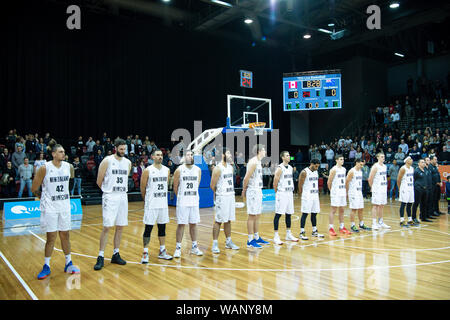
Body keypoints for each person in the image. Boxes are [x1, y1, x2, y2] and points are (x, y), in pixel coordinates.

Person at [31, 143, 80, 279]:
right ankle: (46, 266)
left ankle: (68, 263)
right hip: (50, 208)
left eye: (63, 151)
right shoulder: (45, 168)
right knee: (51, 237)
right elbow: (34, 188)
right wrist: (44, 198)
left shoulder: (69, 167)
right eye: (60, 152)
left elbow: (70, 183)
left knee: (65, 235)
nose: (63, 154)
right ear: (53, 154)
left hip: (64, 206)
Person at [94, 139, 132, 271]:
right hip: (110, 196)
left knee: (120, 226)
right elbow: (99, 181)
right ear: (115, 148)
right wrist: (108, 191)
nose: (123, 151)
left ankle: (116, 253)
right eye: (121, 149)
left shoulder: (128, 162)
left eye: (124, 149)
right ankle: (101, 256)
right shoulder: (107, 160)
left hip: (122, 196)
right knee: (107, 227)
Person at [140, 149, 173, 263]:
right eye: (157, 155)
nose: (160, 157)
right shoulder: (148, 170)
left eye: (161, 155)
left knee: (162, 228)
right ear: (152, 157)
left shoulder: (167, 170)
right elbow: (142, 188)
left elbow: (166, 185)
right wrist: (146, 200)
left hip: (163, 204)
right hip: (151, 204)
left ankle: (162, 251)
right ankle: (145, 252)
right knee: (148, 228)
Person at [173, 150, 203, 258]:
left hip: (194, 201)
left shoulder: (198, 170)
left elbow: (197, 184)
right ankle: (178, 248)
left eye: (191, 155)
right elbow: (175, 187)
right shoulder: (179, 170)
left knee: (194, 224)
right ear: (184, 157)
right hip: (183, 201)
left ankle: (194, 247)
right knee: (181, 224)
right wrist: (181, 197)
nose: (190, 156)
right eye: (187, 155)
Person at [209, 148, 240, 253]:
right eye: (228, 153)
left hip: (230, 196)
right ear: (222, 155)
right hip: (222, 197)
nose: (230, 154)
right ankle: (215, 244)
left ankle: (228, 242)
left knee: (228, 220)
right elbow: (212, 185)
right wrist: (219, 194)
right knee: (218, 221)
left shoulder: (231, 168)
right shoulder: (218, 168)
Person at [242, 144, 269, 248]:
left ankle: (257, 237)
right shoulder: (253, 162)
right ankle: (250, 240)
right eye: (264, 150)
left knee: (257, 215)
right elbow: (246, 178)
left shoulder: (259, 161)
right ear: (259, 151)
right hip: (252, 190)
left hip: (258, 190)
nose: (265, 151)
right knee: (252, 215)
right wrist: (244, 190)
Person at [272, 151, 299, 244]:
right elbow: (275, 182)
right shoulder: (280, 168)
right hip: (282, 193)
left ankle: (288, 234)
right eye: (287, 155)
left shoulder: (291, 167)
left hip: (289, 193)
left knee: (289, 214)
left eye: (289, 155)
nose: (289, 157)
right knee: (278, 214)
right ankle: (276, 236)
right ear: (283, 157)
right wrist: (278, 192)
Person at [297, 159, 324, 240]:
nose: (317, 168)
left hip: (315, 195)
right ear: (311, 164)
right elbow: (300, 184)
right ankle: (302, 232)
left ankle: (314, 231)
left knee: (314, 213)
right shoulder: (304, 172)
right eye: (315, 166)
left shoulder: (316, 172)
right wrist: (301, 194)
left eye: (318, 166)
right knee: (305, 214)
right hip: (307, 196)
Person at [327, 154, 351, 236]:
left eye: (343, 159)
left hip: (342, 192)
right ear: (336, 160)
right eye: (340, 159)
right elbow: (329, 182)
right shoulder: (333, 169)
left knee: (342, 210)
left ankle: (341, 227)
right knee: (333, 210)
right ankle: (331, 228)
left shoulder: (344, 169)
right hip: (335, 193)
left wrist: (346, 191)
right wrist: (332, 191)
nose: (342, 160)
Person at [346, 158, 372, 233]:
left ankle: (361, 224)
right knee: (354, 209)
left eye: (362, 165)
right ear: (356, 163)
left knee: (361, 209)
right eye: (360, 164)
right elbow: (347, 182)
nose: (362, 166)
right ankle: (352, 225)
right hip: (353, 192)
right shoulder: (351, 171)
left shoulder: (360, 171)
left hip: (359, 192)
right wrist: (347, 192)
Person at [368, 152, 390, 230]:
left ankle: (380, 222)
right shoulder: (375, 166)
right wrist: (372, 187)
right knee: (375, 206)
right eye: (381, 157)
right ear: (377, 158)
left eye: (384, 157)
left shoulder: (384, 166)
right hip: (377, 189)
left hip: (383, 189)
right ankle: (374, 223)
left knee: (382, 205)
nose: (383, 158)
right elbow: (370, 178)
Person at [397, 156, 416, 227]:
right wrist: (400, 189)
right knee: (403, 204)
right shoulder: (403, 168)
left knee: (410, 204)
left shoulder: (412, 168)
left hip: (411, 187)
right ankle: (401, 220)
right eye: (410, 159)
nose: (412, 160)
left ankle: (410, 219)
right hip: (404, 188)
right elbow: (398, 180)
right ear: (406, 161)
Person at [412, 159, 428, 224]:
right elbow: (414, 179)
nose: (423, 163)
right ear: (418, 163)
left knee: (424, 203)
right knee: (416, 203)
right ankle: (414, 217)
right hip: (418, 189)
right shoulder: (416, 171)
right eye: (422, 162)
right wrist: (417, 187)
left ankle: (423, 217)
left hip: (425, 189)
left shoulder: (425, 170)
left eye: (424, 162)